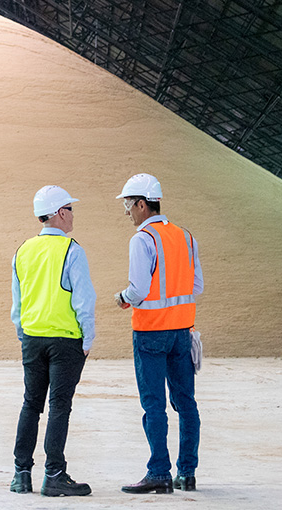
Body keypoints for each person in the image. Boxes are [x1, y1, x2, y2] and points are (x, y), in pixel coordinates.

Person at [113, 173, 204, 494]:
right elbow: (196, 286)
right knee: (186, 403)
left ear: (142, 204)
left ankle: (159, 473)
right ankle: (187, 474)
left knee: (154, 406)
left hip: (151, 332)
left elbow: (138, 290)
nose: (126, 211)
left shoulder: (142, 239)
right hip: (182, 332)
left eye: (128, 204)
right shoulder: (186, 237)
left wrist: (123, 298)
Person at [9, 185, 96, 497]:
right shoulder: (72, 250)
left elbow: (17, 304)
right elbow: (84, 300)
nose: (72, 215)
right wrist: (88, 337)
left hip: (33, 339)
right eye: (70, 209)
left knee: (31, 404)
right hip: (66, 341)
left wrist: (24, 334)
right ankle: (54, 475)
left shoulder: (23, 250)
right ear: (60, 213)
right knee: (59, 406)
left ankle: (21, 475)